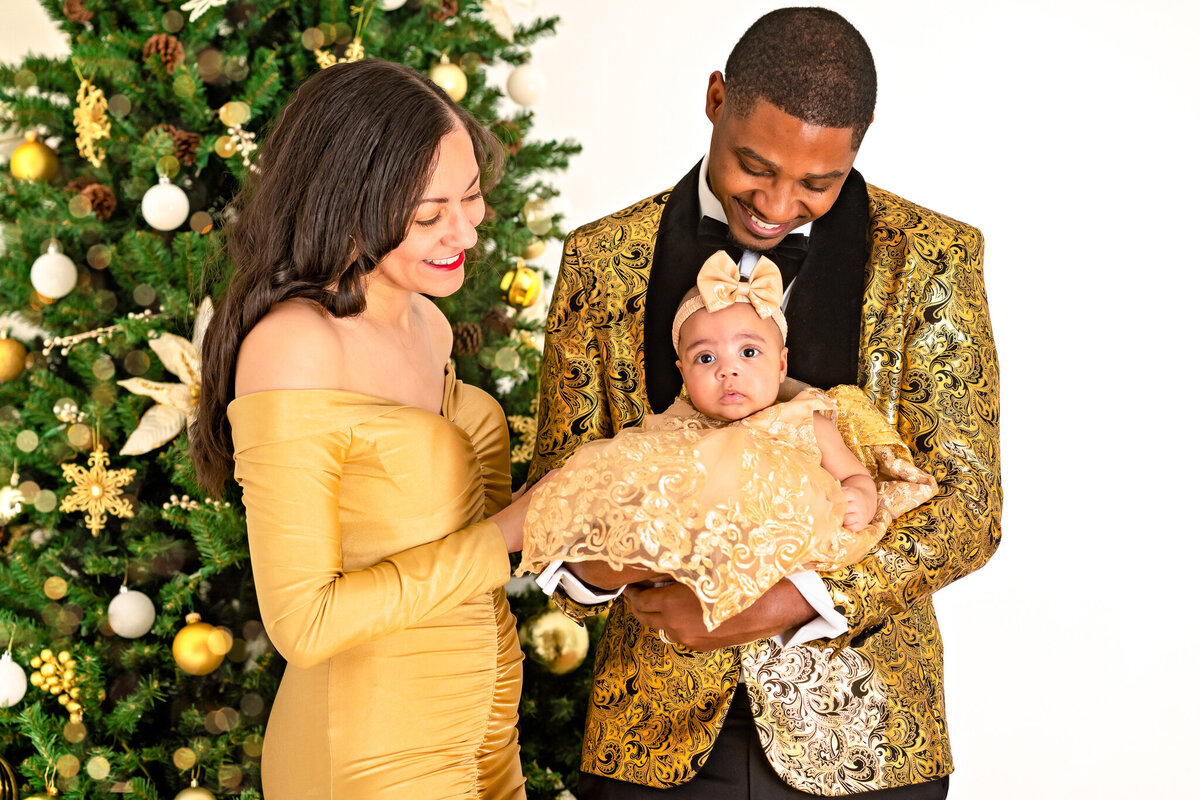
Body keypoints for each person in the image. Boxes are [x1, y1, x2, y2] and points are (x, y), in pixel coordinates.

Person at [527, 7, 1001, 799]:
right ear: (716, 99)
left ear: (862, 138)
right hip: (650, 738)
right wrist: (611, 567)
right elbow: (557, 492)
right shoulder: (602, 259)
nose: (779, 205)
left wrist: (778, 604)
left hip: (869, 733)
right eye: (757, 167)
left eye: (818, 182)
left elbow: (970, 506)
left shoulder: (935, 257)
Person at [190, 59, 532, 799]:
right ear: (349, 202)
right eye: (428, 214)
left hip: (481, 728)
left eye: (471, 197)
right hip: (368, 752)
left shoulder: (427, 320)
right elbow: (304, 622)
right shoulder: (296, 345)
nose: (465, 229)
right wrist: (508, 535)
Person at [519, 252, 937, 632]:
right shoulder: (673, 432)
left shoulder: (804, 420)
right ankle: (498, 538)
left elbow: (854, 474)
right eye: (706, 358)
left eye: (749, 353)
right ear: (682, 372)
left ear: (782, 364)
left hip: (788, 552)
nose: (728, 371)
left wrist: (858, 496)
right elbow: (630, 491)